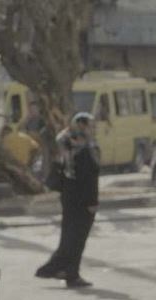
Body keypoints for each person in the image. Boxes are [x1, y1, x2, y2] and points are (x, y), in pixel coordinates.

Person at [35, 113, 100, 288]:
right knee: (77, 238)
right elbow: (89, 176)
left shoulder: (66, 141)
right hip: (82, 199)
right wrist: (92, 201)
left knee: (70, 236)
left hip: (69, 196)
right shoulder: (82, 146)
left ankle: (64, 269)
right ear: (81, 125)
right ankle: (68, 272)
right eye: (91, 126)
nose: (94, 129)